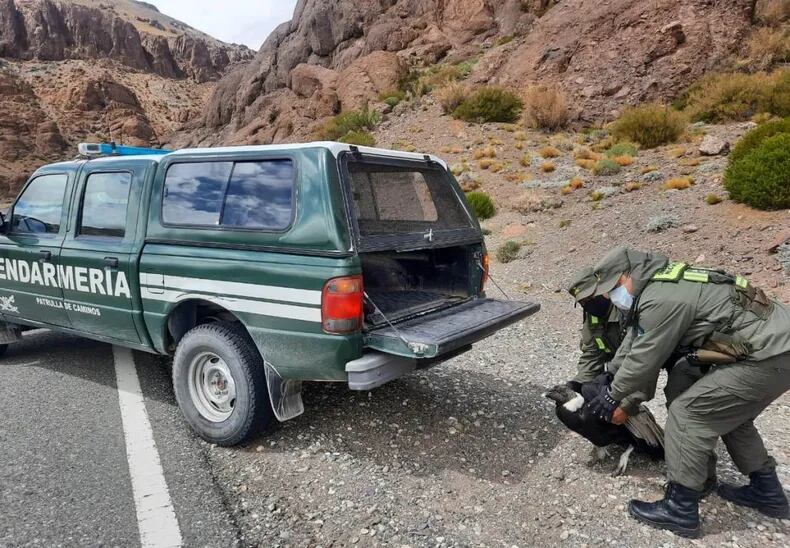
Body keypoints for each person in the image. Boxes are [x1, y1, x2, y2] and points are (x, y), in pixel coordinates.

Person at [572, 246, 790, 538]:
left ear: (627, 276)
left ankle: (680, 508)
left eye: (612, 289)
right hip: (773, 349)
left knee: (688, 414)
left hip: (769, 356)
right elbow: (634, 343)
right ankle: (767, 492)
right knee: (727, 413)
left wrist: (614, 395)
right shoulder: (662, 284)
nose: (610, 297)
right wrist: (608, 376)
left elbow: (645, 358)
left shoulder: (661, 298)